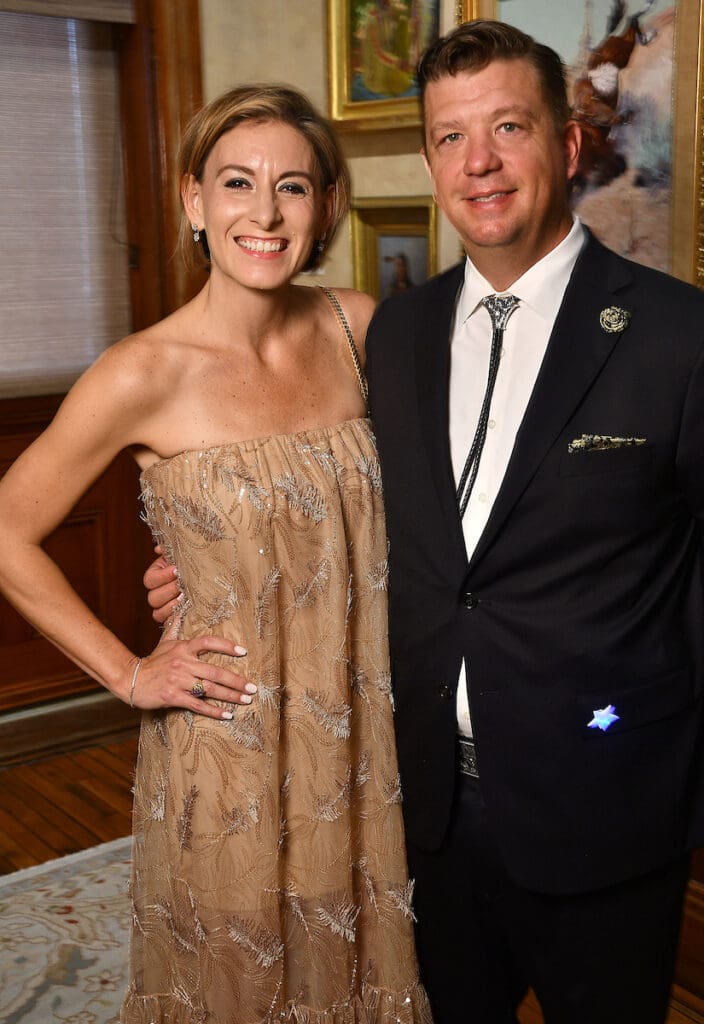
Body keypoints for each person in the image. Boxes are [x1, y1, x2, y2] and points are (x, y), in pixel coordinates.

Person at [144, 20, 704, 1024]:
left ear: (568, 143)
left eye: (509, 127)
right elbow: (342, 505)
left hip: (604, 799)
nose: (480, 163)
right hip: (415, 802)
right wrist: (211, 569)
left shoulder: (688, 338)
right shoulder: (394, 329)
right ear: (427, 156)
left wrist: (606, 658)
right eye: (452, 136)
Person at [0, 85, 432, 1024]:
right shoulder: (141, 372)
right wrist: (126, 672)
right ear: (195, 200)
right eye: (238, 183)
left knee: (353, 970)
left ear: (325, 205)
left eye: (293, 186)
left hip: (362, 733)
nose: (265, 213)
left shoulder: (360, 328)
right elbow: (6, 532)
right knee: (239, 985)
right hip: (228, 737)